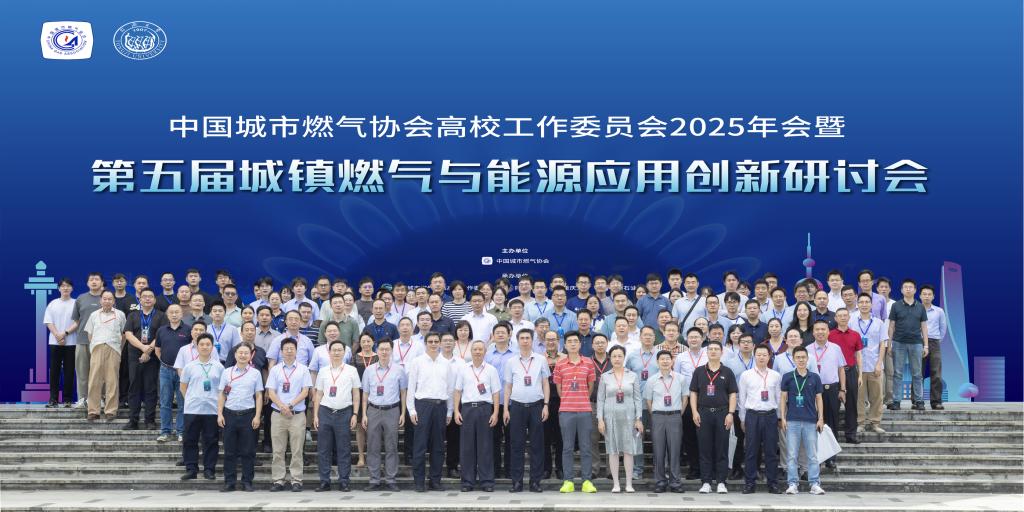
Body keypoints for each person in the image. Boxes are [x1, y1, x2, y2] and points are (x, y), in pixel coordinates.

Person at [503, 329, 551, 493]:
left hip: (536, 406)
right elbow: (508, 386)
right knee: (517, 445)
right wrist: (506, 409)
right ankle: (517, 482)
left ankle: (535, 482)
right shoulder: (511, 362)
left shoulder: (541, 360)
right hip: (517, 407)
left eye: (528, 338)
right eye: (522, 338)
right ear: (517, 341)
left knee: (537, 445)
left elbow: (545, 383)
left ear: (532, 340)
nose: (525, 341)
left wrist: (546, 405)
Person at [407, 332, 454, 492]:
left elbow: (450, 388)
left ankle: (435, 480)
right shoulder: (417, 362)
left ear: (440, 343)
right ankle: (419, 481)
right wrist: (411, 409)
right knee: (420, 446)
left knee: (438, 446)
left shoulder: (446, 364)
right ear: (425, 343)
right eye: (430, 341)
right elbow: (411, 387)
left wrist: (449, 411)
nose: (433, 344)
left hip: (440, 406)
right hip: (422, 406)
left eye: (436, 341)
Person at [688, 340, 737, 494]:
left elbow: (733, 394)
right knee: (705, 449)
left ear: (721, 352)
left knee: (722, 448)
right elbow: (693, 393)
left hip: (722, 413)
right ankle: (706, 482)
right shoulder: (699, 371)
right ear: (706, 352)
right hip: (703, 413)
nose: (713, 351)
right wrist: (694, 412)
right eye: (711, 349)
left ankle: (721, 481)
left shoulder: (727, 372)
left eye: (716, 349)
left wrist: (730, 413)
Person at [312, 340, 361, 492]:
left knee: (344, 448)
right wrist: (315, 415)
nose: (337, 352)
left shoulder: (351, 370)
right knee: (324, 449)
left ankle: (344, 481)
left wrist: (355, 414)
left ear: (345, 352)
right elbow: (318, 394)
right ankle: (324, 481)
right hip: (325, 412)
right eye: (334, 350)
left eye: (340, 350)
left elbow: (356, 394)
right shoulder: (323, 371)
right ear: (329, 352)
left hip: (344, 413)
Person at [552, 331, 598, 494]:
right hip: (566, 411)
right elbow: (559, 389)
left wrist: (581, 398)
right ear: (565, 345)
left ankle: (587, 481)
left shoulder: (588, 363)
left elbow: (590, 387)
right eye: (569, 341)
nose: (572, 344)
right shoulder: (560, 364)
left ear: (580, 344)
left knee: (586, 447)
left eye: (575, 341)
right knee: (567, 448)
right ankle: (568, 481)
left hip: (585, 410)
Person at [266, 338, 314, 492]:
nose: (288, 351)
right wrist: (282, 406)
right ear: (281, 351)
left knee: (297, 449)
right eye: (286, 348)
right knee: (278, 450)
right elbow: (271, 391)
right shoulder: (275, 370)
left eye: (291, 348)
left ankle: (296, 480)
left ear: (296, 350)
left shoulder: (303, 369)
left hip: (297, 415)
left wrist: (290, 405)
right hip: (278, 414)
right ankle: (278, 480)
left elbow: (305, 391)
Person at [453, 340, 501, 492]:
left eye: (480, 349)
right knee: (467, 447)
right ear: (471, 351)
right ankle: (468, 482)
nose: (478, 352)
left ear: (485, 352)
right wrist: (456, 411)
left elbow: (496, 393)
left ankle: (487, 481)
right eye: (475, 349)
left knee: (485, 447)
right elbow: (457, 391)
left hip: (484, 409)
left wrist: (495, 413)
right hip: (467, 409)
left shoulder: (491, 370)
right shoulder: (464, 369)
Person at [361, 338, 407, 492]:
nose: (384, 352)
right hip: (373, 410)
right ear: (377, 351)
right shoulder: (369, 370)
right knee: (372, 446)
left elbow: (403, 392)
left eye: (387, 349)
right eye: (381, 349)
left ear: (392, 351)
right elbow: (365, 394)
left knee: (391, 446)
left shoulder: (399, 370)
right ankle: (374, 479)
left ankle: (390, 479)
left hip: (392, 410)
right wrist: (364, 414)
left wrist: (403, 413)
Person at [596, 345, 643, 493]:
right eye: (614, 356)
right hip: (610, 417)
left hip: (629, 417)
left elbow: (638, 398)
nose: (617, 359)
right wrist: (600, 419)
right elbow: (600, 400)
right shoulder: (605, 376)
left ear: (624, 357)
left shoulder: (632, 375)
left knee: (629, 450)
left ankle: (629, 483)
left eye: (620, 356)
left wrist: (638, 418)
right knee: (613, 450)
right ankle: (616, 484)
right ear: (610, 358)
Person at [217, 343, 264, 492]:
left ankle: (247, 481)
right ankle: (229, 482)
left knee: (248, 451)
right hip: (229, 414)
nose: (243, 355)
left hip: (248, 415)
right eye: (240, 353)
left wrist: (257, 416)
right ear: (235, 354)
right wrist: (220, 414)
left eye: (246, 353)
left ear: (250, 356)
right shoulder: (227, 372)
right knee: (229, 451)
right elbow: (222, 394)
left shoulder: (255, 373)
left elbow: (259, 396)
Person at [779, 346, 826, 495]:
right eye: (798, 357)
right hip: (792, 420)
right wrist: (783, 417)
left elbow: (819, 398)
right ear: (794, 359)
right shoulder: (787, 377)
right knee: (792, 454)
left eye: (803, 357)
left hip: (810, 420)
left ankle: (814, 483)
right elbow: (783, 398)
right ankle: (793, 483)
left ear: (808, 359)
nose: (801, 360)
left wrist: (820, 418)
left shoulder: (814, 377)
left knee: (812, 455)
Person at [737, 345, 783, 494]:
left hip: (770, 416)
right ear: (754, 356)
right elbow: (742, 398)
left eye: (764, 355)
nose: (761, 357)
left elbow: (779, 398)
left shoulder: (776, 375)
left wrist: (779, 417)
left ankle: (773, 484)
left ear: (769, 357)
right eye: (759, 354)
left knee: (771, 451)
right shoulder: (746, 375)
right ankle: (749, 483)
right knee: (751, 451)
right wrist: (742, 418)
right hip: (752, 415)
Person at [179, 333, 224, 481]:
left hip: (212, 410)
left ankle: (209, 469)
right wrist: (191, 399)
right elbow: (183, 387)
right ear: (197, 347)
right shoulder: (189, 366)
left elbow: (222, 389)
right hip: (192, 409)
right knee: (190, 440)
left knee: (211, 440)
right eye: (202, 344)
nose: (205, 347)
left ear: (212, 347)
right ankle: (191, 469)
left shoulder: (219, 367)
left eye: (208, 344)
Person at [643, 350, 688, 493]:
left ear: (672, 361)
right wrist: (656, 414)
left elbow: (685, 398)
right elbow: (648, 401)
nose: (665, 361)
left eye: (668, 358)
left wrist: (678, 413)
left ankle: (675, 482)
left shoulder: (680, 378)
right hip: (658, 416)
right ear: (657, 362)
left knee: (675, 450)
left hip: (675, 416)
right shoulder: (652, 380)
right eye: (662, 359)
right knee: (658, 450)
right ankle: (660, 481)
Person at [123, 289, 166, 429]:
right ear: (140, 300)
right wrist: (143, 348)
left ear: (154, 300)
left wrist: (148, 350)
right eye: (144, 297)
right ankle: (133, 420)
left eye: (150, 296)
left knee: (150, 388)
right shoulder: (132, 315)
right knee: (134, 387)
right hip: (134, 356)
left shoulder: (161, 316)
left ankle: (150, 420)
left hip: (153, 356)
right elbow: (128, 335)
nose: (147, 299)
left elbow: (161, 334)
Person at [82, 290, 127, 421]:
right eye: (105, 299)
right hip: (97, 348)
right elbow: (90, 334)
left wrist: (118, 348)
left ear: (114, 301)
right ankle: (93, 411)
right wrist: (96, 346)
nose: (107, 301)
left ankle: (111, 411)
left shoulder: (120, 315)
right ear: (100, 300)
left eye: (110, 299)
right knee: (94, 380)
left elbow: (124, 334)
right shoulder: (94, 315)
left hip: (114, 349)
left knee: (112, 381)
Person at [809, 320, 846, 470]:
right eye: (817, 329)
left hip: (831, 389)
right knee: (813, 424)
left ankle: (831, 458)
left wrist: (842, 389)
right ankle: (816, 457)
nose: (820, 332)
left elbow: (841, 369)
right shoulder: (807, 350)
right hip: (812, 391)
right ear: (813, 332)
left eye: (823, 329)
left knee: (832, 424)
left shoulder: (836, 348)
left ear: (828, 332)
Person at [887, 278, 929, 411]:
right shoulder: (896, 305)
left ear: (915, 290)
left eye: (911, 287)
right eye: (905, 287)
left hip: (916, 343)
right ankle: (896, 401)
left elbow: (924, 327)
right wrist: (889, 344)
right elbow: (891, 325)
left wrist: (926, 345)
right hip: (898, 342)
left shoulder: (920, 306)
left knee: (917, 373)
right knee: (897, 373)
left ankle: (919, 401)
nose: (908, 289)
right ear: (901, 290)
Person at [674, 327, 707, 479]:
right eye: (691, 337)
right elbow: (676, 379)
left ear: (702, 339)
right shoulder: (681, 357)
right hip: (687, 400)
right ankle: (695, 468)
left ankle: (707, 468)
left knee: (706, 436)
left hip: (705, 400)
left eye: (696, 337)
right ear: (686, 340)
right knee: (690, 436)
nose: (693, 339)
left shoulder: (708, 354)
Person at [854, 293, 887, 434]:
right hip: (858, 367)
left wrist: (879, 363)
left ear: (871, 304)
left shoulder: (879, 323)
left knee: (877, 396)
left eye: (867, 302)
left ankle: (875, 423)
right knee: (859, 397)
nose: (864, 304)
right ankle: (860, 422)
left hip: (875, 365)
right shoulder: (851, 321)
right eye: (861, 302)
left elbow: (883, 344)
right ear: (857, 304)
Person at [829, 309, 863, 444]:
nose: (843, 318)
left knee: (852, 404)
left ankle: (851, 434)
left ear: (849, 317)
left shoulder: (855, 334)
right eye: (840, 316)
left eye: (845, 315)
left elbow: (858, 355)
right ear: (835, 318)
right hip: (834, 373)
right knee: (833, 405)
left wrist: (860, 374)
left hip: (851, 372)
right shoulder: (830, 335)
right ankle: (833, 436)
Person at [44, 277, 78, 408]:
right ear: (59, 288)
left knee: (69, 371)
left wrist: (65, 334)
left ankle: (67, 399)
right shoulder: (53, 303)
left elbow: (78, 322)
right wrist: (58, 336)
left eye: (68, 285)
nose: (65, 288)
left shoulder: (76, 303)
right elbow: (48, 322)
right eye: (63, 286)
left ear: (72, 288)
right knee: (54, 371)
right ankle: (53, 399)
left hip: (71, 342)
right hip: (55, 342)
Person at [350, 333, 378, 468]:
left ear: (373, 342)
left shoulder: (378, 357)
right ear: (360, 343)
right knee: (360, 427)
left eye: (368, 341)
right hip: (359, 394)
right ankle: (361, 457)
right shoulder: (355, 358)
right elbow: (351, 377)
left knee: (374, 428)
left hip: (376, 394)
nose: (366, 343)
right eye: (363, 341)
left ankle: (373, 457)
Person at [920, 284, 947, 410]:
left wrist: (936, 340)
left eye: (929, 294)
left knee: (936, 373)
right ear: (920, 296)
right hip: (918, 342)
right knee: (918, 373)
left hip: (934, 342)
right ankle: (917, 401)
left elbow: (943, 328)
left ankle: (936, 401)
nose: (927, 296)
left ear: (933, 296)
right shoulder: (915, 309)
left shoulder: (939, 311)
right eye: (924, 294)